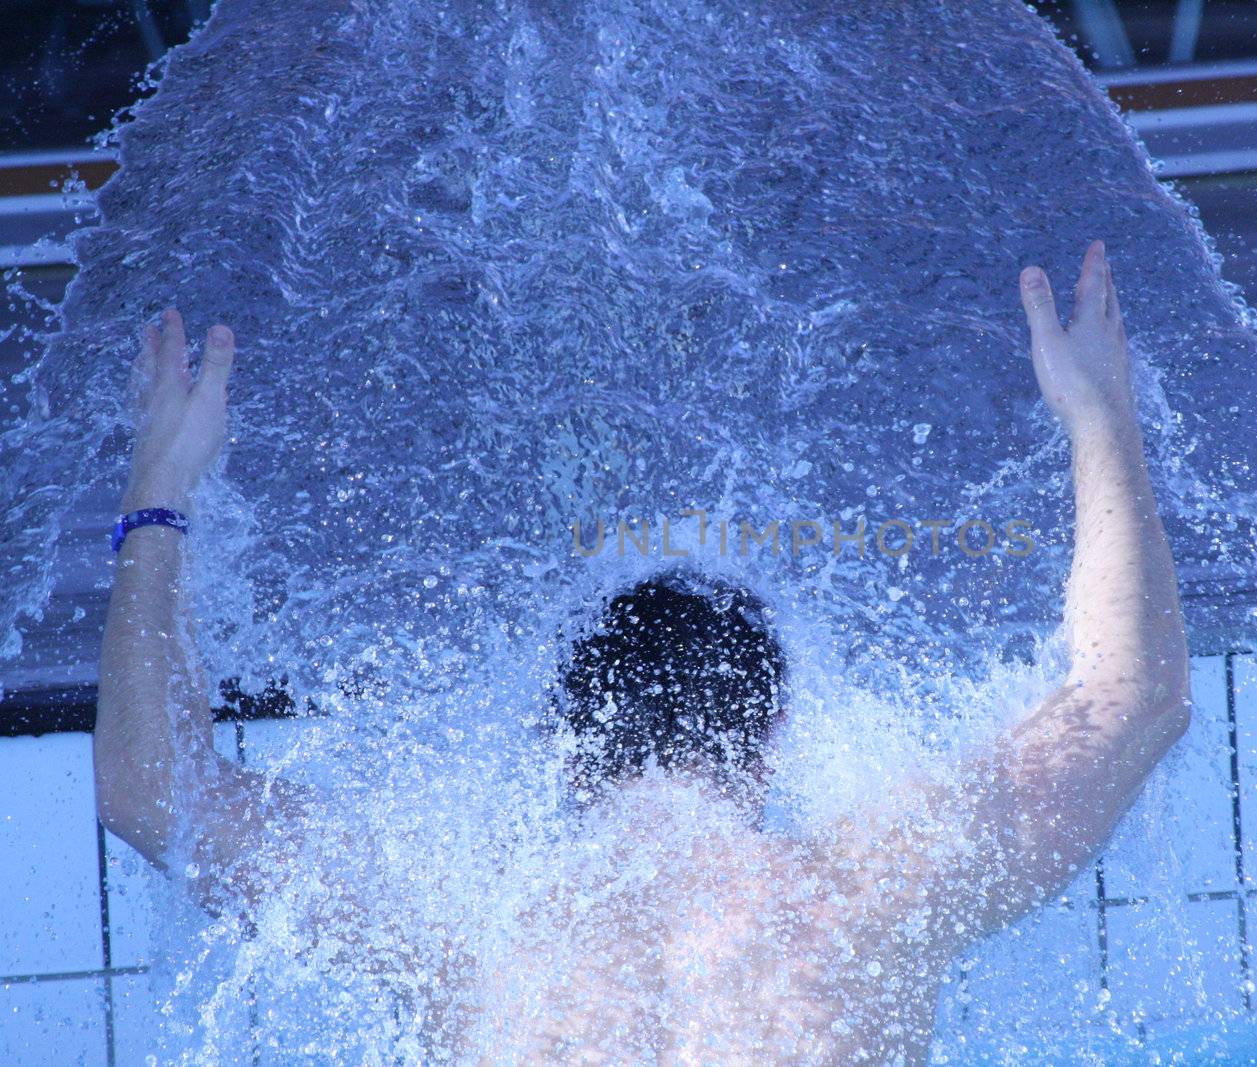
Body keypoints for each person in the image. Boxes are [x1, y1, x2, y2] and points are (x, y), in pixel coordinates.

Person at [95, 240, 1191, 1064]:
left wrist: (159, 495)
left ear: (559, 744)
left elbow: (152, 790)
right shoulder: (872, 890)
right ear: (770, 735)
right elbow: (1129, 696)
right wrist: (1101, 423)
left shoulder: (459, 918)